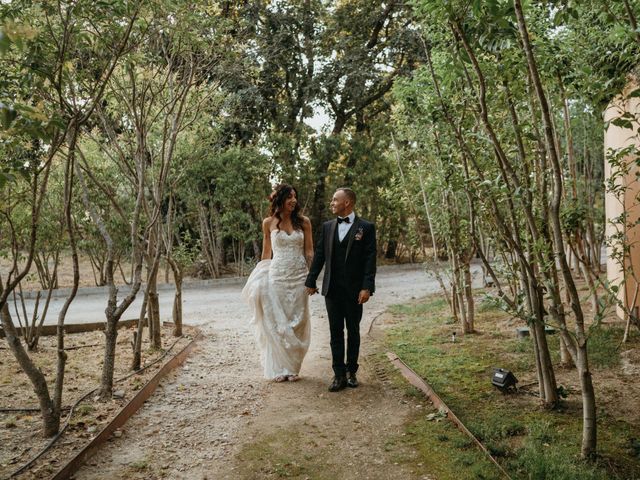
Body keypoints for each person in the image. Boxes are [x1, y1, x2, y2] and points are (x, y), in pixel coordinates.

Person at [305, 187, 376, 392]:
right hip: (332, 290)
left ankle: (351, 371)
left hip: (355, 291)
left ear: (347, 203)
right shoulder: (328, 227)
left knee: (353, 331)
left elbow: (370, 260)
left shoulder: (366, 227)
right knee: (335, 332)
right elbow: (320, 255)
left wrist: (367, 287)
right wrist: (311, 280)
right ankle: (338, 375)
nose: (332, 203)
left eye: (335, 200)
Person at [242, 184, 314, 382]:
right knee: (276, 321)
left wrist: (312, 276)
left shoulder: (304, 222)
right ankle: (280, 368)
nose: (294, 201)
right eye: (290, 197)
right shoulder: (268, 223)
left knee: (298, 320)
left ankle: (293, 368)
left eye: (295, 197)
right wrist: (260, 275)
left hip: (299, 276)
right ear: (280, 199)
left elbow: (309, 251)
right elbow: (267, 252)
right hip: (277, 276)